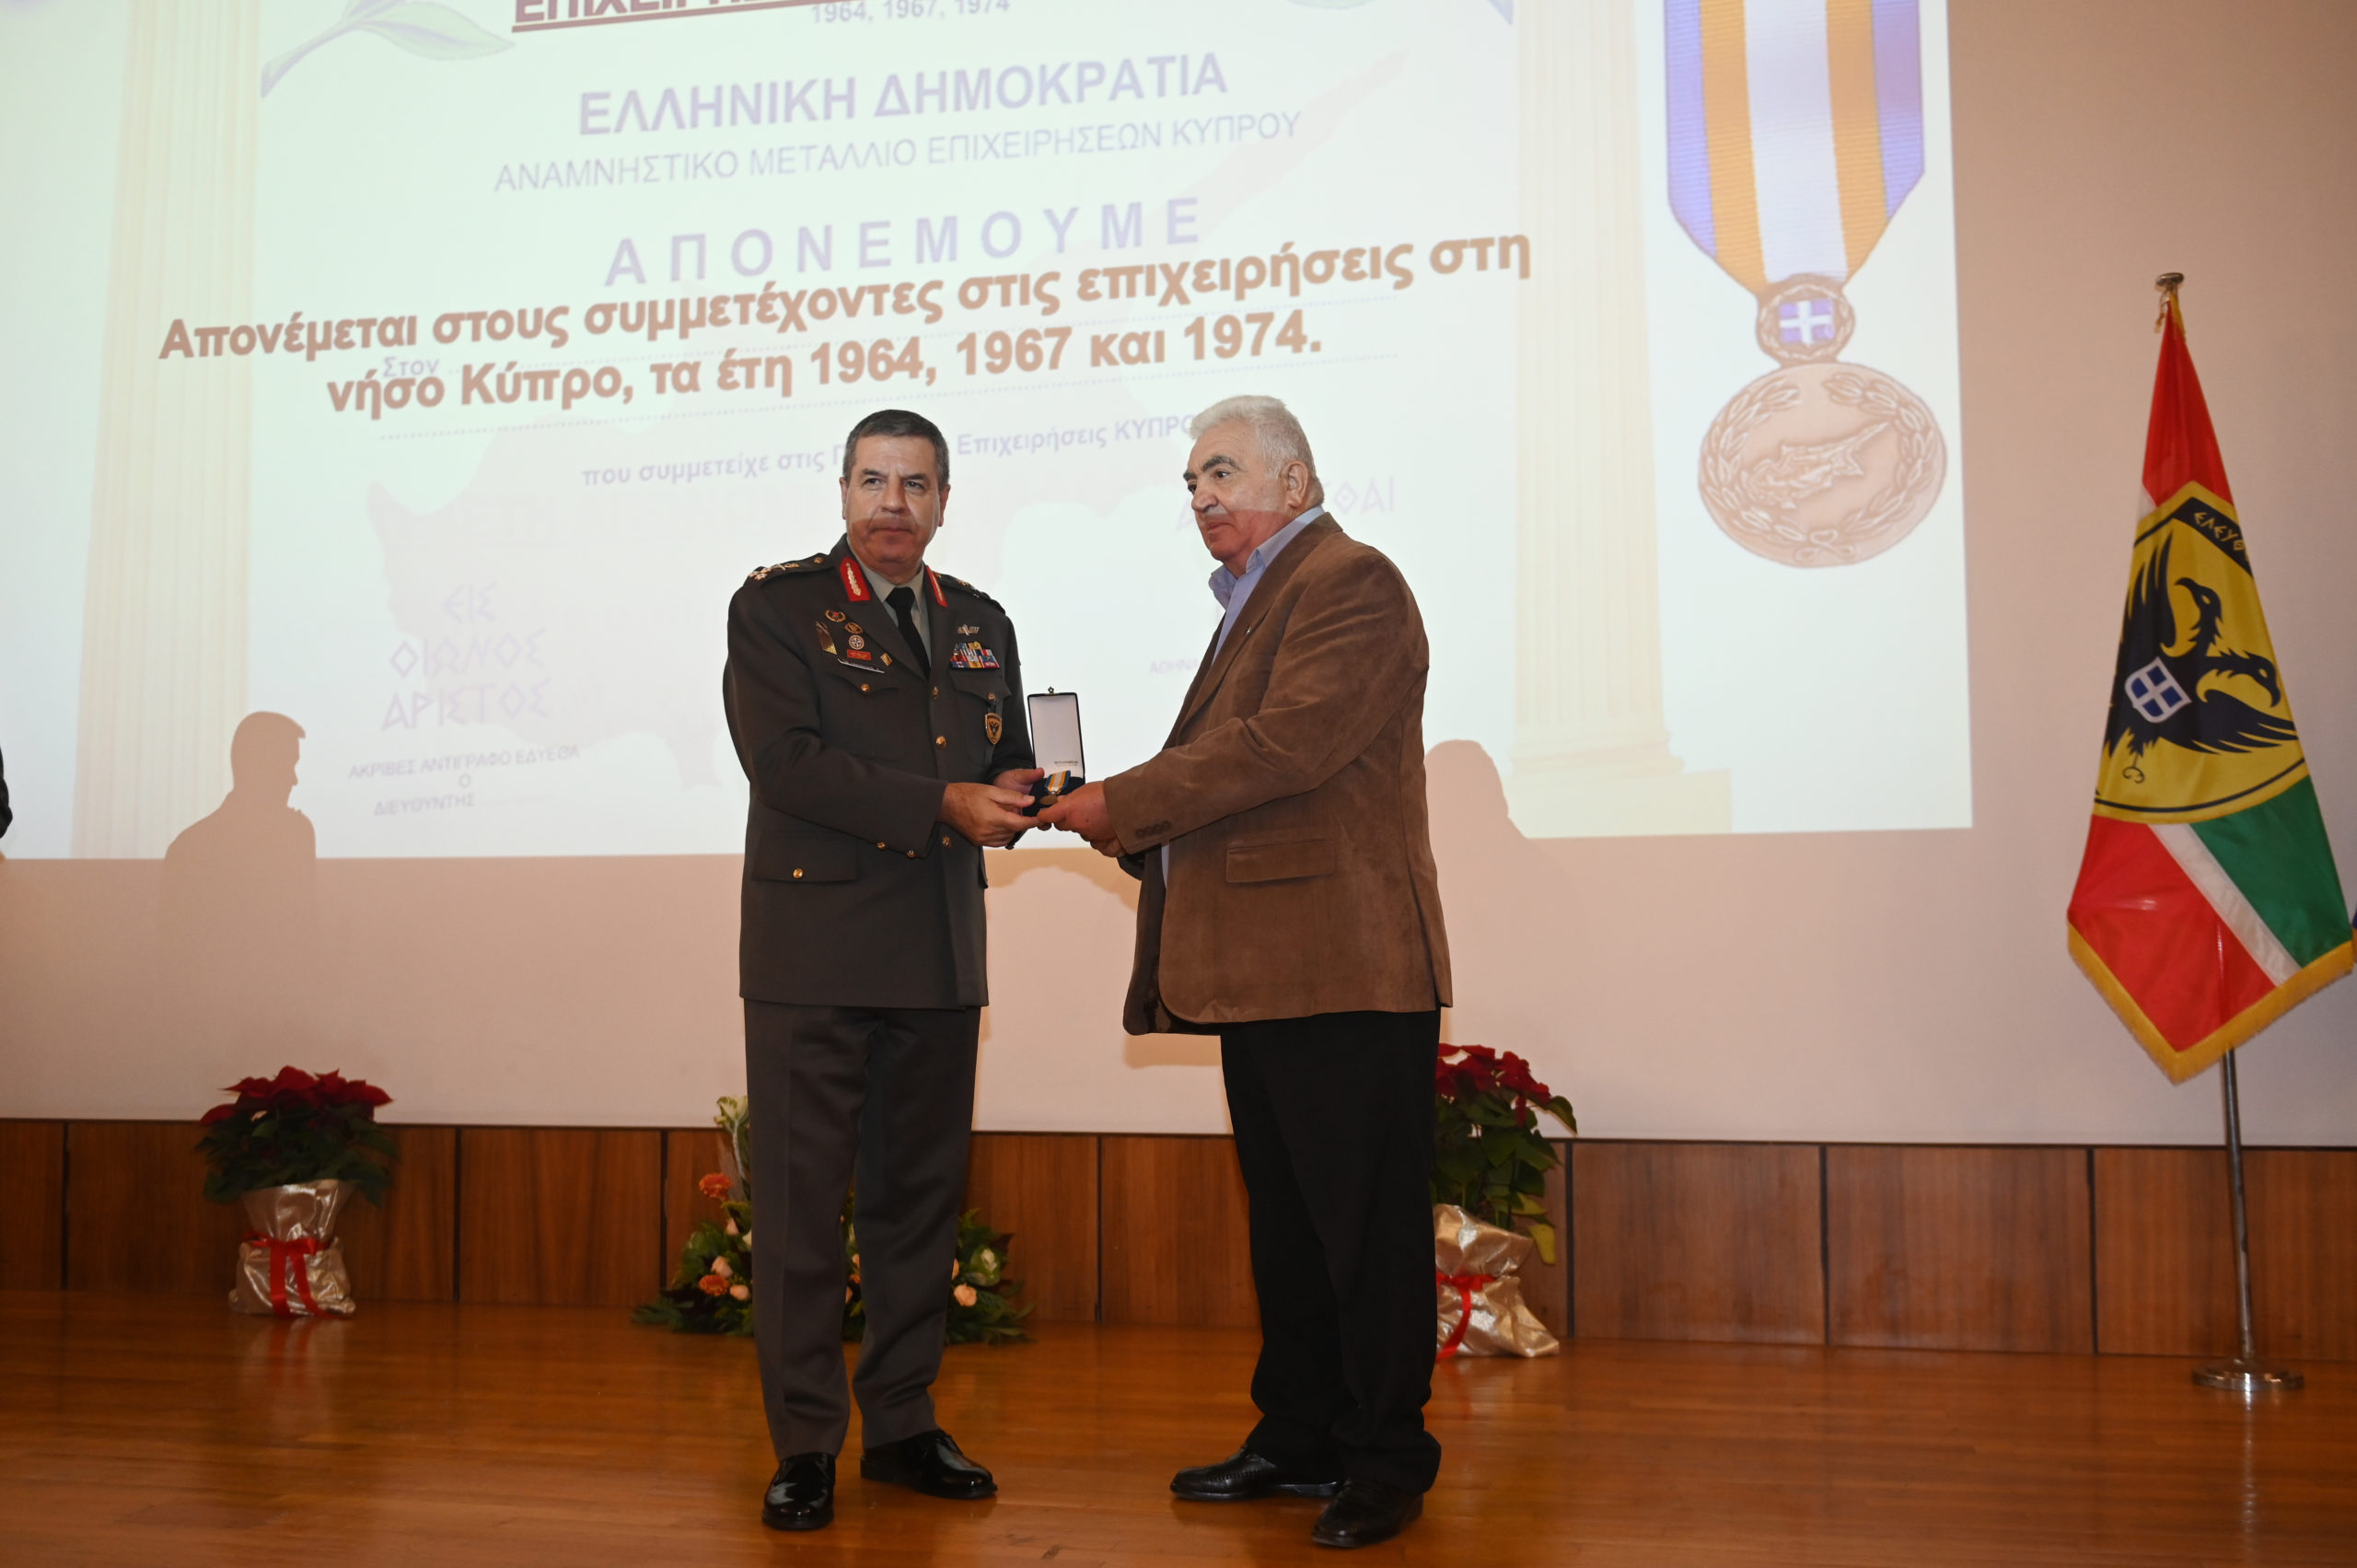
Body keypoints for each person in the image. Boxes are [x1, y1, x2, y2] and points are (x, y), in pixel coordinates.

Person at [1040, 395, 1451, 1551]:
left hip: (1344, 965)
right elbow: (1236, 777)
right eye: (1190, 481)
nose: (1200, 494)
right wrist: (1108, 811)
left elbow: (1286, 745)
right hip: (1269, 967)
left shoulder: (1350, 580)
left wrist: (1121, 800)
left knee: (1362, 1231)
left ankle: (1385, 1458)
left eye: (1220, 471)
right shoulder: (1258, 600)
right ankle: (1301, 1433)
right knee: (1292, 1228)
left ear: (1294, 479)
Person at [722, 407, 1040, 1532]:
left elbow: (1003, 756)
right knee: (802, 1213)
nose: (892, 503)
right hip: (814, 951)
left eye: (915, 484)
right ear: (844, 491)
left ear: (944, 500)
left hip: (938, 950)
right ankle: (806, 1442)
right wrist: (945, 802)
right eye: (873, 480)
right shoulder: (778, 607)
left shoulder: (981, 620)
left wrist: (1036, 791)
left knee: (917, 1210)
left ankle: (902, 1424)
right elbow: (786, 762)